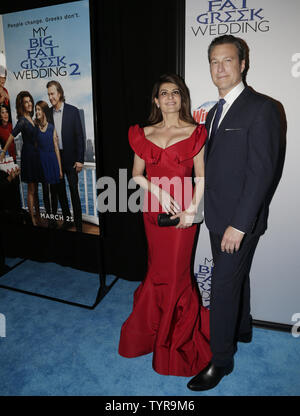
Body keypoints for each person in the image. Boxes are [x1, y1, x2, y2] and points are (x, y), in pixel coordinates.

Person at [187, 35, 281, 391]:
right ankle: (243, 329)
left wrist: (239, 226)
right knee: (235, 277)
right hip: (216, 215)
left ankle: (220, 361)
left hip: (238, 222)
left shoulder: (262, 108)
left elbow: (262, 173)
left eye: (227, 60)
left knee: (223, 289)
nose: (220, 67)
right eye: (214, 61)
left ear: (243, 64)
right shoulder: (213, 111)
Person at [118, 73, 212, 376]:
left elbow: (202, 178)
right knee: (157, 271)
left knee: (176, 275)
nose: (170, 97)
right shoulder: (142, 133)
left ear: (181, 98)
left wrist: (191, 211)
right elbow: (136, 175)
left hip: (185, 212)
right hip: (152, 212)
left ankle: (174, 343)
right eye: (164, 93)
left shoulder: (195, 132)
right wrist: (156, 190)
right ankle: (151, 332)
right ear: (156, 100)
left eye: (175, 92)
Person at [0, 91, 43, 226]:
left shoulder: (33, 119)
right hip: (29, 156)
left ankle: (39, 216)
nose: (29, 103)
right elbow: (12, 136)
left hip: (37, 156)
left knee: (35, 189)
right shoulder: (22, 121)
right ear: (22, 105)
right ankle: (32, 219)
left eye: (30, 100)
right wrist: (3, 152)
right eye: (26, 102)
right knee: (31, 189)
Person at [47, 80, 85, 232]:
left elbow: (80, 137)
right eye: (48, 94)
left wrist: (80, 160)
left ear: (60, 93)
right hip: (56, 159)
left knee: (74, 193)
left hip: (71, 159)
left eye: (52, 93)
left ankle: (79, 226)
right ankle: (68, 221)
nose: (50, 97)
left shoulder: (73, 111)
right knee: (60, 193)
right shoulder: (48, 113)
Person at [35, 101, 65, 228]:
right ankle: (48, 216)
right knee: (45, 192)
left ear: (44, 111)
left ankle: (53, 217)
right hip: (42, 162)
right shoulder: (35, 127)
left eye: (39, 110)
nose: (37, 112)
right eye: (36, 110)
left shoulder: (52, 127)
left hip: (52, 161)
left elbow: (56, 148)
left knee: (54, 192)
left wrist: (60, 168)